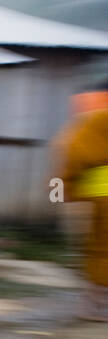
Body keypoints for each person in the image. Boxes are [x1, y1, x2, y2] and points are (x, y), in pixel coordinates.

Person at [56, 81, 108, 321]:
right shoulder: (96, 120)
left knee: (96, 252)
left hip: (91, 195)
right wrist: (59, 194)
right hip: (95, 196)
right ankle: (91, 305)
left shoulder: (87, 120)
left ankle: (92, 303)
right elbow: (71, 155)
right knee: (98, 252)